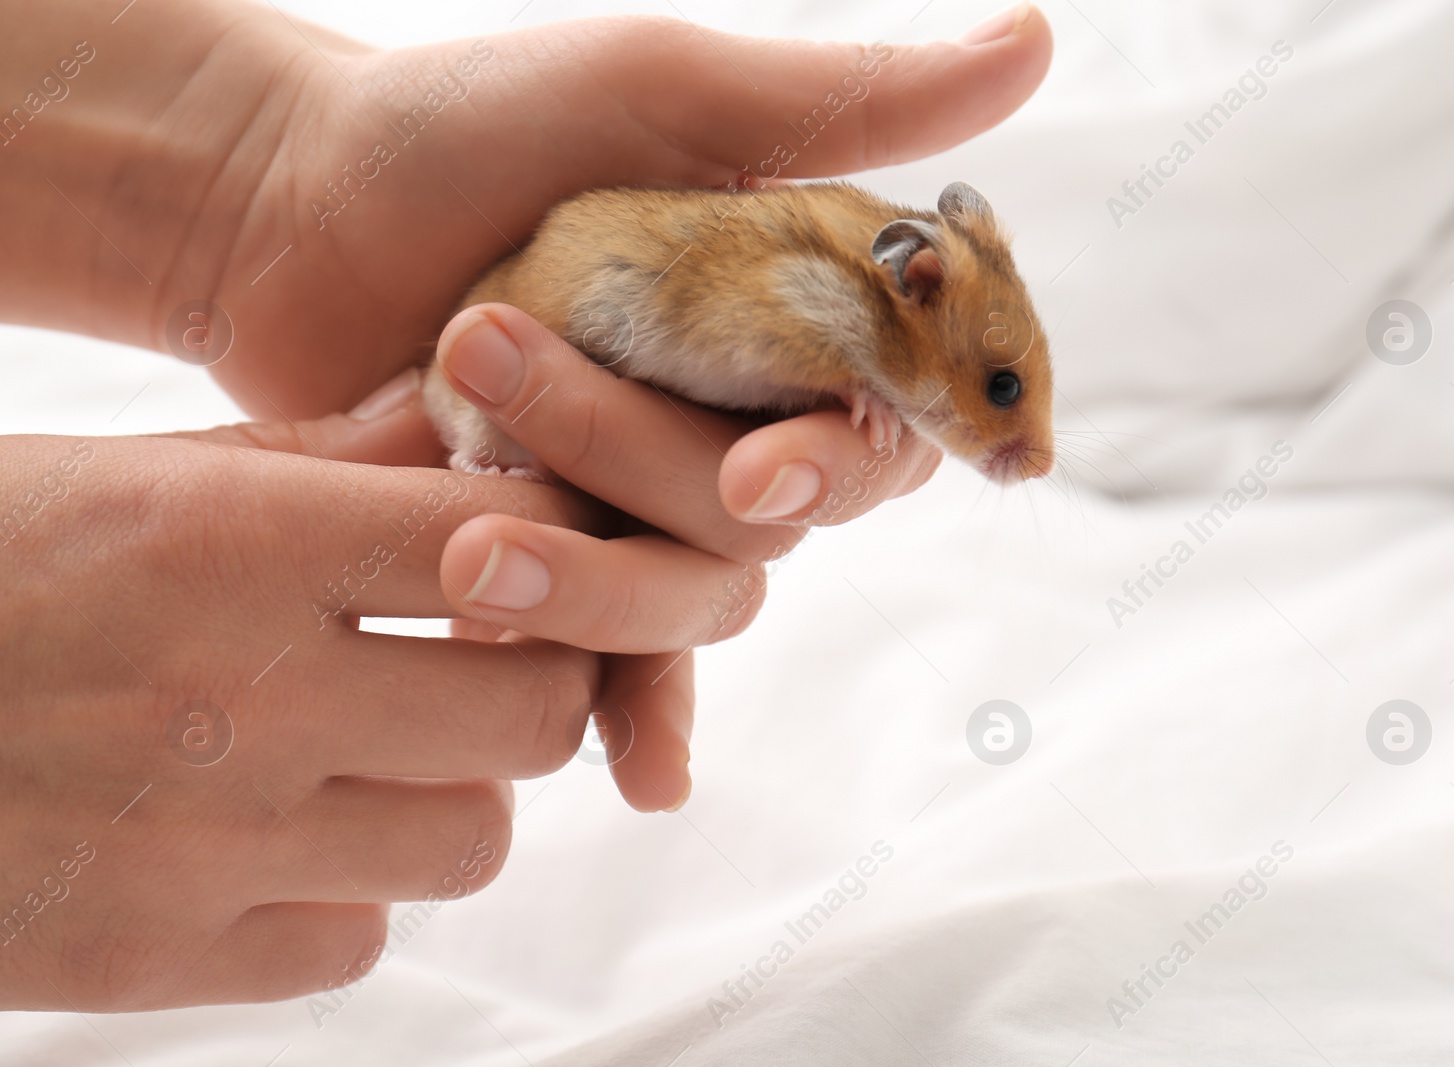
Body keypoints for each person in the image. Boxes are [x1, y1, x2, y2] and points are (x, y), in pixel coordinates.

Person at [0, 0, 1051, 1012]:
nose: (1026, 449)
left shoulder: (860, 321)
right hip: (538, 323)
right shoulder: (820, 296)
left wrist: (263, 165)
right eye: (1001, 390)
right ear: (912, 280)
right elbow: (752, 329)